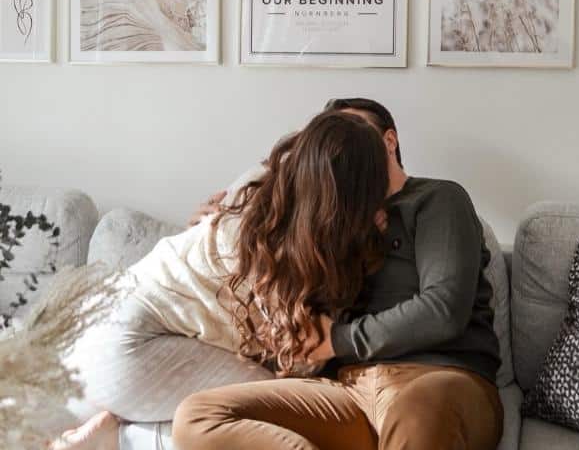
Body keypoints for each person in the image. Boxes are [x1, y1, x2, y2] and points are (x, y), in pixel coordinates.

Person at [172, 97, 503, 450]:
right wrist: (214, 229)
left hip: (443, 381)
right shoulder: (325, 227)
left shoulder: (437, 199)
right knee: (199, 415)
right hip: (348, 391)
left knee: (418, 407)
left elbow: (444, 310)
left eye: (357, 134)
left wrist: (340, 340)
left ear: (388, 143)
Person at [50, 110, 390, 450]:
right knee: (286, 410)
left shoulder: (261, 196)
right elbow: (301, 361)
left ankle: (116, 431)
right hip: (128, 347)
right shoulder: (264, 251)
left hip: (95, 328)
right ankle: (126, 438)